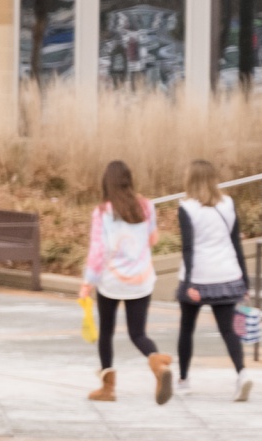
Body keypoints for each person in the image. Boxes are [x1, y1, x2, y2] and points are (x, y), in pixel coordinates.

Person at [80, 160, 171, 404]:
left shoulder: (102, 213)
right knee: (138, 333)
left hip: (112, 281)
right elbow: (152, 239)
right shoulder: (146, 207)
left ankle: (107, 389)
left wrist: (88, 283)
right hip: (140, 279)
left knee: (107, 332)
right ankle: (158, 365)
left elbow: (99, 251)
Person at [174, 159, 251, 402]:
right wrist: (245, 280)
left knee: (187, 328)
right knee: (228, 330)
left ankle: (184, 380)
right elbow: (236, 243)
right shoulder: (228, 203)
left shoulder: (186, 207)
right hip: (227, 274)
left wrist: (187, 284)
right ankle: (242, 373)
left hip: (198, 276)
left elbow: (188, 248)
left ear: (190, 179)